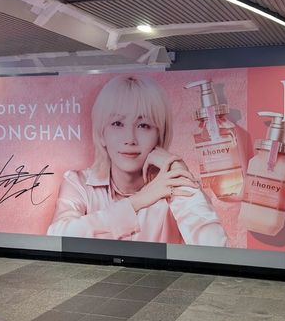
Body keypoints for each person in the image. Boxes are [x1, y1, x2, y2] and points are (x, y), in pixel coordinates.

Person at [47, 75, 228, 246]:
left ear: (160, 135)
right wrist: (138, 201)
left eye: (143, 125)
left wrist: (177, 168)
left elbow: (215, 250)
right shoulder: (78, 183)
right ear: (101, 134)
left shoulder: (174, 184)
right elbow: (57, 239)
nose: (130, 139)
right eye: (117, 123)